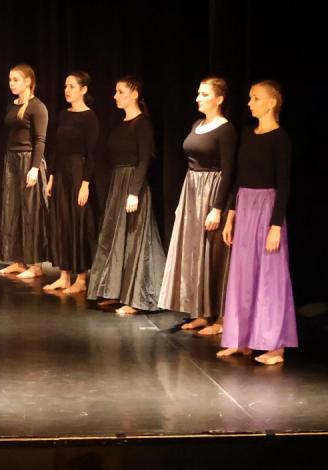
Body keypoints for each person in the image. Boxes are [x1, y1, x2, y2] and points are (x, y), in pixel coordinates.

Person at [218, 81, 297, 365]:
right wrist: (231, 216)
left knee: (269, 276)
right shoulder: (248, 135)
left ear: (272, 103)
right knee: (243, 274)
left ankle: (275, 346)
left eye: (256, 98)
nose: (250, 103)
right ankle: (242, 339)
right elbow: (238, 179)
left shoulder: (281, 138)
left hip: (267, 208)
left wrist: (275, 225)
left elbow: (284, 184)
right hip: (245, 205)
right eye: (250, 97)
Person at [158, 78, 236, 335]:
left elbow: (229, 172)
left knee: (213, 255)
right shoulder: (197, 125)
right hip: (192, 190)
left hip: (212, 192)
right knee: (194, 252)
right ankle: (201, 313)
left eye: (204, 94)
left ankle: (221, 318)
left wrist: (217, 208)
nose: (198, 98)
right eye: (198, 93)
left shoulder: (226, 130)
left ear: (219, 99)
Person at [87, 76, 166, 315]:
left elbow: (144, 160)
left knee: (134, 240)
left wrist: (134, 192)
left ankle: (137, 298)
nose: (115, 96)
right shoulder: (122, 124)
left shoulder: (142, 124)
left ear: (134, 93)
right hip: (118, 184)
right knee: (115, 238)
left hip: (133, 185)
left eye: (120, 92)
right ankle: (115, 292)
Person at [43, 71, 99, 294]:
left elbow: (92, 154)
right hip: (61, 174)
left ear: (83, 89)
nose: (67, 90)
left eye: (72, 86)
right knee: (62, 223)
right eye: (65, 86)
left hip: (78, 173)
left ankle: (82, 279)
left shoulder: (90, 117)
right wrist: (51, 178)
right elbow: (55, 149)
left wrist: (85, 183)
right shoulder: (63, 115)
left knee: (79, 223)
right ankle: (64, 275)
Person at [0, 64, 48, 279]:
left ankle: (35, 265)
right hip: (12, 160)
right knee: (12, 209)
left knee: (31, 212)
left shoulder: (38, 107)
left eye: (16, 79)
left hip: (29, 159)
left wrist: (34, 168)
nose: (11, 83)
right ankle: (17, 261)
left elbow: (40, 140)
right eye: (10, 79)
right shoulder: (11, 105)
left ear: (28, 81)